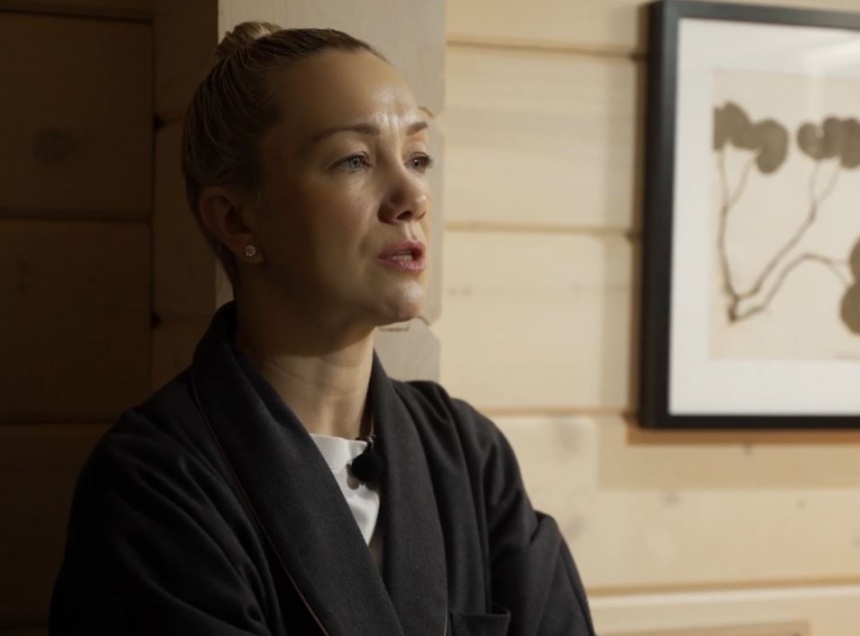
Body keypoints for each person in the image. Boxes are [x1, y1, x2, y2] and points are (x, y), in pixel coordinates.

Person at [49, 22, 596, 636]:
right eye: (354, 160)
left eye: (417, 158)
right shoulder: (156, 484)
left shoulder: (469, 456)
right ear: (236, 219)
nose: (412, 195)